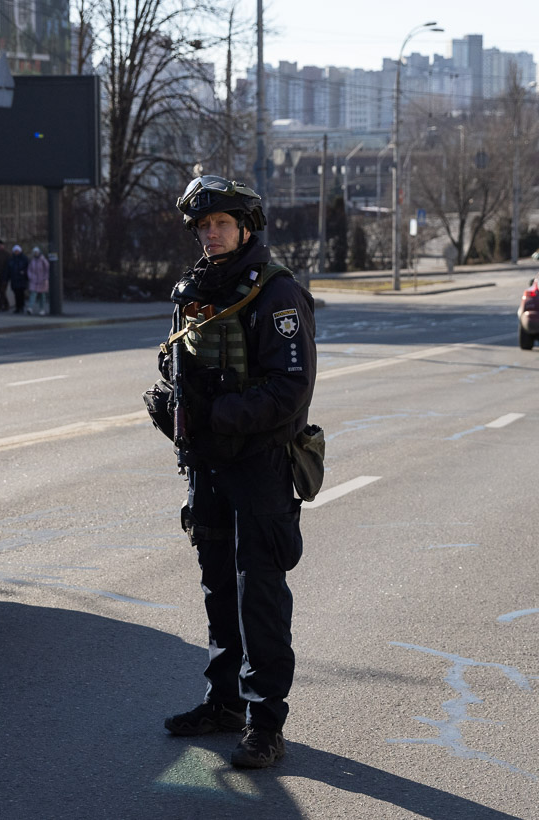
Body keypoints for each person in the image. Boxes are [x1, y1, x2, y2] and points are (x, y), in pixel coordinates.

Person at [157, 175, 316, 770]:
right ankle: (222, 703)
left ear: (245, 228)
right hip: (209, 467)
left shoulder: (275, 294)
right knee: (218, 586)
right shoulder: (193, 290)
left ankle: (265, 721)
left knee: (260, 593)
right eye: (203, 226)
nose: (211, 234)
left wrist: (217, 413)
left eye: (221, 224)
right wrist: (171, 402)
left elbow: (290, 390)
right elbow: (178, 363)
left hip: (260, 466)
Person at [26, 247, 50, 316]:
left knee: (42, 295)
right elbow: (29, 269)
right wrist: (30, 277)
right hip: (34, 280)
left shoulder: (43, 260)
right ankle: (30, 308)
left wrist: (45, 278)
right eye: (34, 252)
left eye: (36, 252)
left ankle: (42, 309)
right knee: (33, 294)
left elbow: (47, 269)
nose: (35, 253)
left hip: (42, 280)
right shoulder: (32, 261)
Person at [6, 244, 29, 314]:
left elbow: (28, 268)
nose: (16, 252)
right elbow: (8, 269)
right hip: (14, 279)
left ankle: (21, 306)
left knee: (21, 293)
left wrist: (24, 272)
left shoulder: (24, 259)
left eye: (17, 251)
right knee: (16, 294)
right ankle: (18, 307)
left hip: (21, 279)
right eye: (15, 251)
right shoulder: (11, 259)